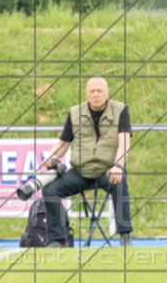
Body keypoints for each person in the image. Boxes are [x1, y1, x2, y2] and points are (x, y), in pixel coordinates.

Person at [41, 77, 134, 247]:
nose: (96, 95)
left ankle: (125, 235)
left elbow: (124, 142)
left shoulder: (121, 110)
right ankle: (57, 239)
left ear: (107, 92)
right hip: (80, 172)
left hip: (107, 170)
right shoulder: (75, 113)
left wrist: (118, 165)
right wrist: (50, 157)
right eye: (92, 91)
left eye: (100, 91)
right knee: (50, 190)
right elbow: (63, 143)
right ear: (86, 93)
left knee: (119, 184)